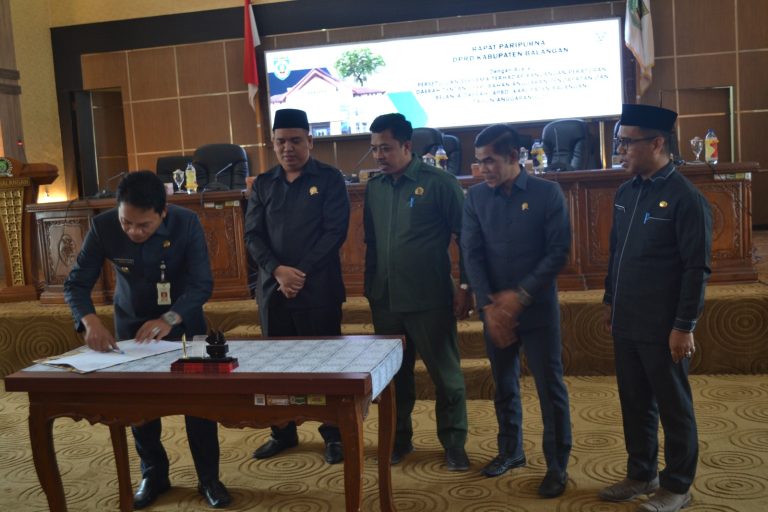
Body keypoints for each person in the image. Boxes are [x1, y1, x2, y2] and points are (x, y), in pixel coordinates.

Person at [64, 171, 231, 509]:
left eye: (144, 225)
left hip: (184, 322)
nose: (133, 232)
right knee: (140, 407)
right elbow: (76, 284)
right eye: (127, 223)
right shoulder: (104, 226)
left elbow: (202, 284)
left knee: (199, 405)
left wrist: (169, 319)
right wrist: (89, 322)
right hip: (132, 327)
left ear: (162, 213)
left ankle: (209, 478)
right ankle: (154, 475)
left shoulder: (186, 223)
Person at [600, 104, 712, 512]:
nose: (620, 150)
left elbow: (696, 268)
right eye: (619, 142)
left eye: (627, 143)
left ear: (657, 143)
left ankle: (677, 486)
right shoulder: (626, 192)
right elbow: (616, 254)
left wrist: (684, 325)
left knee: (673, 407)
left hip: (664, 326)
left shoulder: (686, 198)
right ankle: (641, 473)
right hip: (627, 320)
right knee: (634, 402)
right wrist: (610, 300)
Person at [461, 124, 572, 498]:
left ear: (513, 157)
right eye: (479, 162)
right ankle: (511, 451)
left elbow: (558, 252)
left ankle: (557, 465)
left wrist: (519, 297)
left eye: (490, 161)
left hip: (537, 310)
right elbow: (472, 253)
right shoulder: (476, 198)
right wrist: (488, 305)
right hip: (494, 312)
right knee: (504, 385)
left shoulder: (547, 193)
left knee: (549, 388)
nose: (483, 169)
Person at [364, 113, 471, 471]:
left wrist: (465, 286)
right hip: (386, 300)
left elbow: (466, 238)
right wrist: (370, 289)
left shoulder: (440, 182)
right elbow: (371, 243)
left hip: (430, 298)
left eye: (386, 148)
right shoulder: (375, 188)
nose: (379, 156)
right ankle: (398, 439)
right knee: (394, 379)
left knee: (446, 377)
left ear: (407, 146)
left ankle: (454, 443)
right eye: (374, 149)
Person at [244, 108, 350, 465]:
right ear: (272, 144)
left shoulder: (330, 179)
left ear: (310, 141)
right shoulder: (263, 183)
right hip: (274, 291)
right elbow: (252, 235)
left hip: (318, 289)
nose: (287, 148)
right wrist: (278, 272)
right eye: (280, 142)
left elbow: (335, 232)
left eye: (295, 141)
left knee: (325, 365)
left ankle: (333, 434)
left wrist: (298, 273)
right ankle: (282, 431)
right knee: (277, 368)